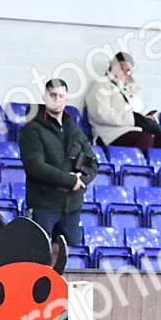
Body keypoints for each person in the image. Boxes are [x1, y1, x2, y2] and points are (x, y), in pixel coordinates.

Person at [18, 78, 97, 246]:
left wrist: (79, 179)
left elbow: (92, 162)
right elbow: (35, 166)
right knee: (40, 252)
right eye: (52, 95)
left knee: (65, 253)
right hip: (44, 204)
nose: (57, 99)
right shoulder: (32, 129)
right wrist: (68, 181)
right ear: (45, 97)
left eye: (61, 96)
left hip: (72, 206)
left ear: (66, 98)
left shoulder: (73, 128)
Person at [84, 52, 161, 151]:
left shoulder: (133, 89)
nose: (125, 73)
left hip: (136, 130)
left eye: (128, 71)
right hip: (111, 133)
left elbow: (142, 111)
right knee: (144, 139)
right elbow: (100, 114)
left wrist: (147, 118)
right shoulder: (101, 86)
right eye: (122, 69)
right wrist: (132, 118)